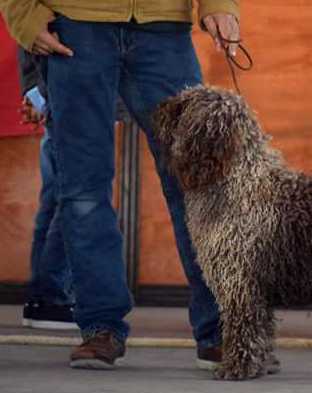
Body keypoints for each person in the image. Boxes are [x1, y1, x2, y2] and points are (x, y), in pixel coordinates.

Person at [0, 0, 240, 370]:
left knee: (198, 184)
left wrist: (219, 3)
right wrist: (24, 15)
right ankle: (101, 328)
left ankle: (223, 331)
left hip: (165, 31)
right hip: (76, 26)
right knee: (82, 190)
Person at [18, 49, 76, 330]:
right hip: (75, 95)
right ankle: (52, 297)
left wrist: (35, 91)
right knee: (75, 198)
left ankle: (41, 299)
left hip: (52, 89)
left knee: (55, 200)